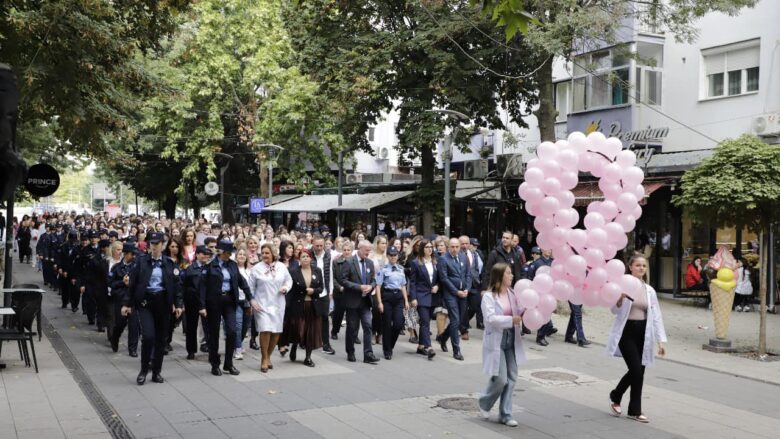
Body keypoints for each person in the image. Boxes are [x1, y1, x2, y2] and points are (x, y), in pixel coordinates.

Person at [607, 254, 667, 423]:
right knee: (636, 371)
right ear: (630, 267)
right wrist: (619, 298)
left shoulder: (649, 290)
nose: (641, 268)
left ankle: (631, 408)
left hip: (643, 332)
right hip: (626, 332)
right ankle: (618, 396)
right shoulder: (621, 286)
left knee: (640, 370)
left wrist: (660, 341)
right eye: (638, 265)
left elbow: (656, 316)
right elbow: (613, 310)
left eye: (644, 266)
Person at [122, 232, 184, 385]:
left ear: (163, 245)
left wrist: (179, 305)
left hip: (163, 304)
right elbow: (132, 285)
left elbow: (177, 286)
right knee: (148, 337)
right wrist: (127, 304)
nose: (154, 247)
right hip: (145, 304)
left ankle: (157, 372)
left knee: (161, 340)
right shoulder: (141, 262)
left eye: (157, 244)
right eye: (152, 244)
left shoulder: (169, 263)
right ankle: (144, 370)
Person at [478, 263, 526, 427]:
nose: (511, 276)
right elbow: (490, 319)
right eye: (508, 273)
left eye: (511, 273)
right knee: (501, 379)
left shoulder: (512, 294)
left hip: (511, 338)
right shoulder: (488, 297)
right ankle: (484, 403)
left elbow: (519, 310)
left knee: (512, 378)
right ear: (500, 276)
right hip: (496, 340)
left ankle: (505, 414)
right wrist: (510, 320)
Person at [199, 240, 257, 376]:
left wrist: (251, 298)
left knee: (232, 331)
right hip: (214, 302)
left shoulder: (232, 265)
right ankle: (214, 363)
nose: (229, 255)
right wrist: (201, 306)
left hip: (229, 301)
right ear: (221, 252)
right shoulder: (210, 266)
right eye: (227, 253)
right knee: (213, 333)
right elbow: (202, 287)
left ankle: (228, 363)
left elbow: (242, 283)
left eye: (230, 253)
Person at [249, 243, 293, 373]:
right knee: (265, 329)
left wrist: (285, 288)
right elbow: (250, 286)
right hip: (262, 303)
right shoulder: (256, 268)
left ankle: (269, 356)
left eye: (267, 253)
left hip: (278, 303)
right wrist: (251, 300)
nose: (264, 255)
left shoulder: (281, 267)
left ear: (273, 253)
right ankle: (263, 358)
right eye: (262, 253)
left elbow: (288, 281)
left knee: (276, 331)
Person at [281, 249, 324, 366]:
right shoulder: (293, 271)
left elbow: (321, 288)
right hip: (298, 305)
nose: (305, 258)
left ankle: (308, 357)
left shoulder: (317, 271)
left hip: (312, 306)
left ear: (311, 258)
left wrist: (314, 291)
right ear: (299, 259)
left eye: (307, 256)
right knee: (299, 329)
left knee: (310, 332)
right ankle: (295, 345)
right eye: (303, 256)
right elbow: (290, 289)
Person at [340, 239, 380, 364]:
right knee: (352, 328)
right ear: (360, 248)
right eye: (367, 250)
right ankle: (350, 351)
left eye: (369, 251)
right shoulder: (349, 261)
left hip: (365, 301)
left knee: (368, 326)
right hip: (352, 300)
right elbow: (343, 280)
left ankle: (368, 354)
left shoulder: (369, 263)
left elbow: (374, 279)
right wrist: (359, 287)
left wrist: (371, 286)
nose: (368, 253)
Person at [438, 237, 471, 361]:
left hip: (463, 293)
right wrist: (456, 291)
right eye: (452, 247)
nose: (455, 249)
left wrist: (467, 288)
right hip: (451, 294)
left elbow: (468, 274)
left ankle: (443, 337)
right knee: (455, 319)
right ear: (448, 247)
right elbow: (444, 278)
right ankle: (456, 350)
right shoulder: (443, 259)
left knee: (457, 321)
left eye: (457, 247)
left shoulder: (463, 256)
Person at [375, 246, 409, 360]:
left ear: (398, 256)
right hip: (387, 297)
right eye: (391, 255)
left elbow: (403, 285)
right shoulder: (383, 269)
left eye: (395, 255)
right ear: (388, 256)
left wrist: (406, 300)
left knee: (399, 324)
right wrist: (379, 302)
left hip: (398, 297)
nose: (393, 257)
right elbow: (378, 287)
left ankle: (390, 345)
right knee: (387, 325)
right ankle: (387, 350)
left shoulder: (400, 269)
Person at [408, 239, 438, 360]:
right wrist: (413, 298)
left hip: (433, 296)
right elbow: (413, 282)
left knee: (427, 320)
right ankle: (428, 347)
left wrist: (437, 286)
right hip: (421, 295)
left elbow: (439, 278)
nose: (429, 249)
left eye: (431, 247)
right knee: (425, 322)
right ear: (422, 249)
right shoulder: (416, 263)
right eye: (426, 247)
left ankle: (420, 346)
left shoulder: (436, 262)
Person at [109, 243, 140, 356]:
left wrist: (131, 283)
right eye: (132, 254)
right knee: (120, 323)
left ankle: (132, 348)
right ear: (126, 254)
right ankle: (114, 338)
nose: (134, 256)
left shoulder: (137, 267)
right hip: (120, 299)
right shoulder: (116, 268)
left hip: (133, 300)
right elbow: (111, 283)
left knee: (134, 325)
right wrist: (122, 282)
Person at [181, 246, 211, 360]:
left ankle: (209, 347)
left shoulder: (210, 267)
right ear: (197, 254)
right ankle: (191, 350)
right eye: (203, 254)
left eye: (207, 254)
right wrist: (182, 302)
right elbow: (184, 285)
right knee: (191, 327)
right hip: (192, 301)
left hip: (207, 301)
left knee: (208, 326)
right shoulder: (190, 269)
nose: (205, 256)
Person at [311, 235, 336, 355]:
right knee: (311, 318)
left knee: (325, 318)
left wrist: (330, 291)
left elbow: (330, 273)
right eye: (317, 246)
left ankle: (326, 344)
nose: (319, 248)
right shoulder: (308, 255)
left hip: (324, 292)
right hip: (312, 291)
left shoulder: (327, 255)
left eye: (321, 245)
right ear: (313, 244)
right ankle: (308, 342)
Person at [527, 248, 556, 346]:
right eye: (548, 249)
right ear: (543, 250)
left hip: (550, 293)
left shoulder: (553, 263)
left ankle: (544, 333)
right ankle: (540, 336)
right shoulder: (537, 263)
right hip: (539, 293)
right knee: (541, 314)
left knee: (548, 314)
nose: (549, 251)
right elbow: (530, 277)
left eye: (550, 249)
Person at [330, 240, 353, 342]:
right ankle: (334, 331)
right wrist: (339, 287)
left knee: (352, 316)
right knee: (338, 314)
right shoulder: (336, 262)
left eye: (349, 250)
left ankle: (353, 335)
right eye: (345, 250)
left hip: (352, 292)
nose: (347, 252)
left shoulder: (355, 262)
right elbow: (333, 278)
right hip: (339, 292)